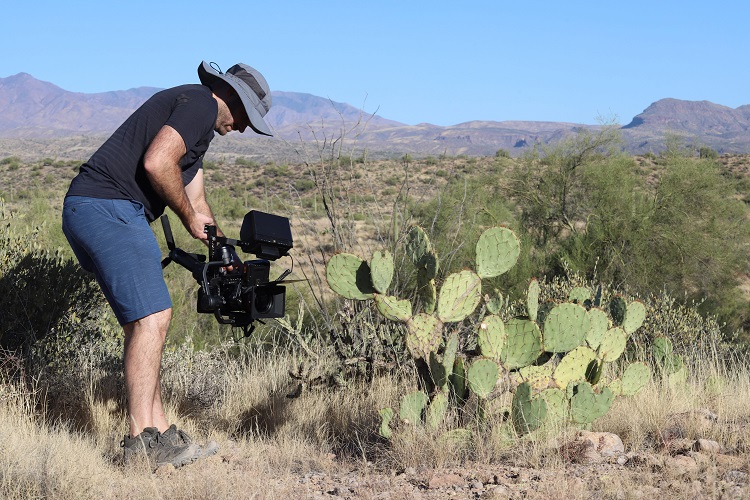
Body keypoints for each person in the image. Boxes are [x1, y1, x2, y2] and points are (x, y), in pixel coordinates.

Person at [62, 61, 273, 467]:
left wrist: (220, 247)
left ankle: (159, 430)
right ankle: (141, 444)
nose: (244, 128)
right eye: (246, 116)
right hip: (109, 207)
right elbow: (158, 163)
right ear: (231, 96)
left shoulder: (197, 121)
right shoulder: (200, 105)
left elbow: (197, 203)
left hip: (97, 208)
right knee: (153, 317)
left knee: (144, 321)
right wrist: (189, 218)